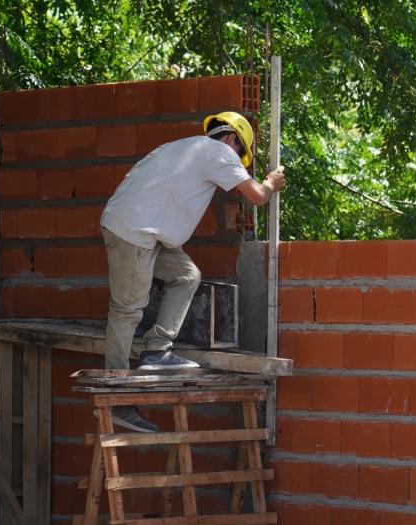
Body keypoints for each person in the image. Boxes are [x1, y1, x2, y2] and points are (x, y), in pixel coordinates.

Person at [98, 111, 285, 432]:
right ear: (231, 140)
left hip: (142, 229)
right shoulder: (220, 151)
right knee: (126, 311)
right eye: (240, 154)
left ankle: (156, 350)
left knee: (186, 275)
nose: (237, 162)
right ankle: (116, 398)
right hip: (133, 232)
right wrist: (271, 183)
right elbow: (256, 196)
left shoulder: (181, 146)